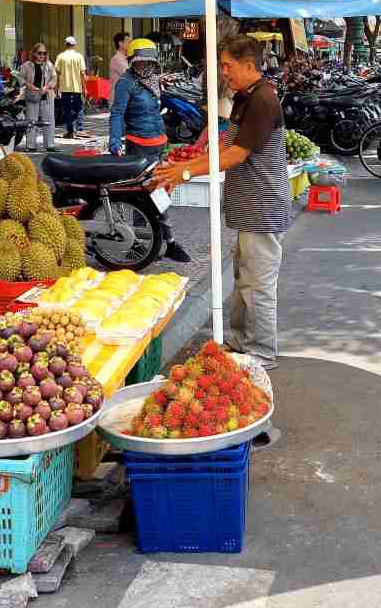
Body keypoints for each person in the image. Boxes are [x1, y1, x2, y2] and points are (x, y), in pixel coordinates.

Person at [154, 36, 287, 386]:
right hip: (247, 206)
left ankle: (260, 352)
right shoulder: (246, 97)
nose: (223, 72)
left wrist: (185, 171)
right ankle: (241, 342)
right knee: (244, 279)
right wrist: (186, 163)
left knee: (258, 284)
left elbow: (235, 155)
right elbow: (226, 142)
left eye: (228, 65)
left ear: (249, 65)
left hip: (263, 205)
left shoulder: (264, 99)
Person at [111, 38, 192, 263]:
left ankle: (160, 242)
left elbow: (157, 109)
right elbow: (117, 112)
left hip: (158, 145)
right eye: (140, 62)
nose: (144, 66)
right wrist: (115, 140)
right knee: (145, 196)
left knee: (160, 194)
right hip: (138, 147)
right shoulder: (126, 83)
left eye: (148, 62)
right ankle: (148, 244)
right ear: (132, 61)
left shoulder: (154, 80)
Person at [19, 42, 57, 151]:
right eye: (40, 53)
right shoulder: (26, 65)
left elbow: (54, 79)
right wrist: (28, 85)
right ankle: (31, 145)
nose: (42, 55)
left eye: (44, 53)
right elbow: (20, 78)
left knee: (49, 119)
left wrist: (48, 87)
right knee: (31, 120)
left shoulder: (49, 65)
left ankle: (49, 144)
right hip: (32, 95)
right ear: (34, 53)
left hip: (47, 95)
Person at [54, 36, 87, 139]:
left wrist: (57, 87)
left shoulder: (60, 57)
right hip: (77, 87)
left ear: (66, 44)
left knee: (67, 109)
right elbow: (82, 73)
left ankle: (70, 131)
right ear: (74, 45)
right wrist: (84, 87)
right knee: (79, 107)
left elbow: (57, 73)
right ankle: (80, 129)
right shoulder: (79, 56)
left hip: (65, 88)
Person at [108, 31, 130, 98]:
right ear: (120, 43)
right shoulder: (117, 59)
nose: (130, 44)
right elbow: (130, 75)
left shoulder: (126, 58)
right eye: (128, 42)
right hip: (118, 99)